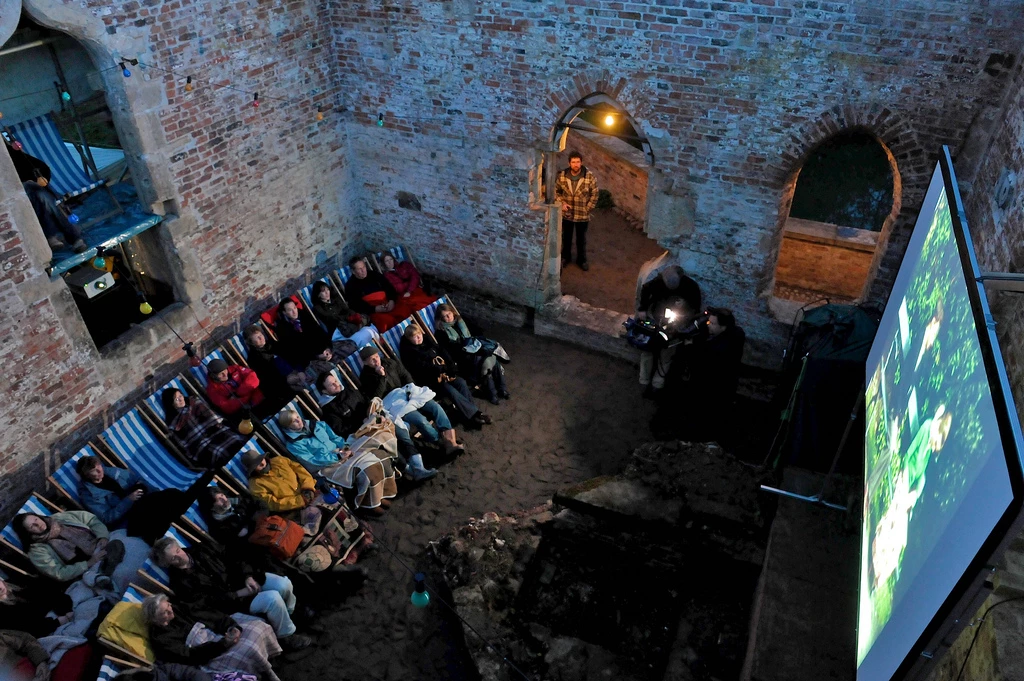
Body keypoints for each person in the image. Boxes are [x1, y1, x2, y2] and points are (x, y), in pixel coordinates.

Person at [150, 538, 310, 649]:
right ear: (167, 563)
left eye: (178, 550)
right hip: (234, 603)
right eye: (173, 558)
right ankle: (286, 636)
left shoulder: (203, 548)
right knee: (273, 598)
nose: (179, 556)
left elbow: (234, 556)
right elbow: (207, 602)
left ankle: (291, 615)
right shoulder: (180, 583)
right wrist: (238, 594)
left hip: (246, 579)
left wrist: (247, 576)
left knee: (284, 584)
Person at [315, 372, 437, 481]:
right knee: (384, 442)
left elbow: (369, 402)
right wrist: (363, 422)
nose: (337, 384)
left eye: (335, 381)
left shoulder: (349, 391)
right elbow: (341, 430)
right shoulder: (329, 410)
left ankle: (419, 467)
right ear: (324, 391)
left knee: (397, 429)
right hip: (362, 433)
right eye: (331, 384)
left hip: (374, 419)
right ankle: (410, 470)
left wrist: (379, 413)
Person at [276, 410, 397, 514]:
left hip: (341, 452)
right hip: (326, 466)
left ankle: (380, 494)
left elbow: (335, 438)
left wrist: (344, 447)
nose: (299, 420)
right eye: (294, 421)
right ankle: (371, 503)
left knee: (378, 457)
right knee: (366, 468)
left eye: (297, 417)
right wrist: (338, 456)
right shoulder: (293, 444)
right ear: (288, 427)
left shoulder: (317, 425)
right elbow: (311, 461)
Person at [141, 594, 282, 681]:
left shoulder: (179, 609)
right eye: (165, 612)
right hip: (207, 653)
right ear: (155, 618)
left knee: (258, 626)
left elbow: (211, 617)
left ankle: (269, 661)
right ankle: (266, 672)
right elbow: (189, 656)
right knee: (248, 648)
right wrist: (223, 644)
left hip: (217, 634)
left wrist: (232, 627)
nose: (170, 610)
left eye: (169, 605)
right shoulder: (160, 638)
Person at [358, 346, 465, 456]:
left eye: (377, 356)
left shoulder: (389, 363)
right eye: (372, 359)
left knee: (435, 408)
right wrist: (382, 378)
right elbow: (376, 397)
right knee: (420, 420)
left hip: (406, 392)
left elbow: (405, 374)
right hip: (393, 403)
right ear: (366, 362)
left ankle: (451, 441)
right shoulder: (365, 377)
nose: (377, 360)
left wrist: (411, 388)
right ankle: (439, 441)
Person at [76, 456, 202, 543]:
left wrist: (156, 493)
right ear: (86, 475)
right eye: (95, 471)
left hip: (143, 501)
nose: (100, 471)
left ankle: (185, 521)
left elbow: (137, 479)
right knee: (167, 503)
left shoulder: (110, 472)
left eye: (99, 466)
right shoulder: (88, 495)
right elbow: (106, 518)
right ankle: (188, 525)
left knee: (170, 494)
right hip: (129, 519)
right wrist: (128, 500)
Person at [4, 138, 87, 254]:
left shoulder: (9, 153)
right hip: (14, 197)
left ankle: (50, 236)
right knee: (38, 194)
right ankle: (75, 238)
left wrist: (40, 178)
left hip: (35, 193)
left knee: (39, 195)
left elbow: (42, 167)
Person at [399, 324, 491, 427]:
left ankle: (471, 415)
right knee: (450, 390)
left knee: (461, 382)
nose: (419, 337)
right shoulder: (409, 352)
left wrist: (450, 364)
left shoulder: (426, 340)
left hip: (443, 371)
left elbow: (441, 350)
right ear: (409, 339)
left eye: (419, 334)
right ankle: (476, 414)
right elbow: (422, 368)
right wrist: (442, 369)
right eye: (415, 337)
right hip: (430, 380)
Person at [636, 264, 702, 395]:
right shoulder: (658, 282)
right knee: (647, 351)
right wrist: (642, 309)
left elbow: (695, 308)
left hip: (675, 324)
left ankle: (657, 383)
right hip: (656, 319)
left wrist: (684, 306)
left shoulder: (690, 287)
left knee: (666, 354)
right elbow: (646, 289)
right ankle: (644, 381)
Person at [12, 512, 123, 586]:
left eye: (36, 519)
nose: (38, 524)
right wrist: (89, 563)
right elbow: (58, 573)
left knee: (118, 542)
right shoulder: (37, 551)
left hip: (99, 545)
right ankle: (102, 571)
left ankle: (106, 565)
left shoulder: (59, 518)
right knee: (91, 577)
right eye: (32, 526)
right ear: (27, 533)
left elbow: (91, 520)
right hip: (84, 568)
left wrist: (102, 536)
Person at [434, 304, 510, 404]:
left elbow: (477, 332)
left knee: (490, 357)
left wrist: (475, 343)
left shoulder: (461, 321)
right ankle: (496, 391)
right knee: (487, 361)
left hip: (475, 349)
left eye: (449, 313)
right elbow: (449, 350)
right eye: (445, 316)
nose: (449, 317)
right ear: (441, 318)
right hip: (462, 357)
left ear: (452, 311)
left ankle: (497, 391)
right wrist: (466, 347)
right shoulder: (441, 332)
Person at [160, 389, 249, 470]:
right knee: (218, 453)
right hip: (202, 444)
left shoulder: (194, 402)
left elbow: (211, 416)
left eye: (180, 396)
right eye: (176, 399)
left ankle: (250, 458)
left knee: (236, 439)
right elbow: (185, 441)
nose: (181, 399)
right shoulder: (174, 422)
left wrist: (215, 425)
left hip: (216, 430)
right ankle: (234, 470)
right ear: (171, 404)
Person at [241, 450, 322, 526]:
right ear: (252, 469)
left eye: (260, 459)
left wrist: (308, 488)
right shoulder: (256, 484)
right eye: (257, 464)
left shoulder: (279, 460)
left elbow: (301, 471)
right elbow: (273, 504)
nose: (261, 463)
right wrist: (300, 500)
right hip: (294, 510)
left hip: (311, 492)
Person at [343, 258, 417, 332]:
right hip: (373, 311)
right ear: (353, 271)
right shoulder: (350, 286)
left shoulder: (374, 274)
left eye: (364, 267)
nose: (363, 270)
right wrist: (375, 309)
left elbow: (389, 287)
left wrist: (391, 301)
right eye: (359, 269)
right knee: (386, 321)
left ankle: (413, 332)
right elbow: (355, 305)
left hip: (388, 303)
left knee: (405, 310)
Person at [554, 151, 599, 271]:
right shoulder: (562, 175)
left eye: (578, 162)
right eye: (573, 162)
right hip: (567, 214)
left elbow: (594, 193)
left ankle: (581, 259)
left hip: (582, 215)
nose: (576, 164)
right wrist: (562, 203)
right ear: (569, 163)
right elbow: (556, 191)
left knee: (581, 239)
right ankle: (566, 257)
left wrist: (587, 208)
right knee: (566, 237)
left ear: (581, 162)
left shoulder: (589, 176)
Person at [242, 325, 303, 410]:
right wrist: (287, 379)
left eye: (261, 335)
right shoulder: (254, 358)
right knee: (301, 391)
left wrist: (299, 370)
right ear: (251, 342)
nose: (261, 338)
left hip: (295, 371)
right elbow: (267, 378)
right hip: (281, 384)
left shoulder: (271, 344)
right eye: (257, 337)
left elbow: (290, 355)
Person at [310, 281, 379, 351]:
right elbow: (331, 318)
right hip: (338, 331)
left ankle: (376, 351)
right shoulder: (318, 308)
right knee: (363, 336)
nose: (327, 293)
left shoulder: (335, 300)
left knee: (369, 330)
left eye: (328, 290)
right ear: (318, 295)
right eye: (323, 291)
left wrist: (353, 315)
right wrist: (347, 317)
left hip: (348, 324)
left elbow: (347, 309)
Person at [0, 576, 74, 638]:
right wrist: (57, 622)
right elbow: (28, 629)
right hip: (49, 630)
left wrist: (66, 609)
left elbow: (49, 590)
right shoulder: (3, 611)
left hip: (64, 610)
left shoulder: (18, 582)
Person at [273, 297, 330, 369]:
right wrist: (316, 356)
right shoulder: (282, 328)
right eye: (290, 310)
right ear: (284, 312)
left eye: (294, 308)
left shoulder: (303, 314)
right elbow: (294, 351)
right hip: (308, 359)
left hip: (323, 350)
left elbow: (320, 332)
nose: (294, 311)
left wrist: (328, 347)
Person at [204, 359, 269, 420]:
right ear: (213, 376)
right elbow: (227, 407)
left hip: (259, 397)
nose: (225, 374)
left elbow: (253, 377)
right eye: (221, 374)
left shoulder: (235, 369)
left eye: (225, 371)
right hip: (246, 411)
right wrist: (248, 394)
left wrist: (239, 394)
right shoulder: (212, 390)